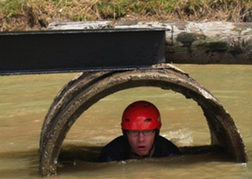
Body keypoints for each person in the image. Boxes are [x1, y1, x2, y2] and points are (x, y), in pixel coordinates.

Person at [99, 100, 182, 162]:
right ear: (125, 133)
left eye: (147, 132)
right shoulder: (110, 155)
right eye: (134, 132)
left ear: (156, 133)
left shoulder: (171, 154)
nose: (141, 139)